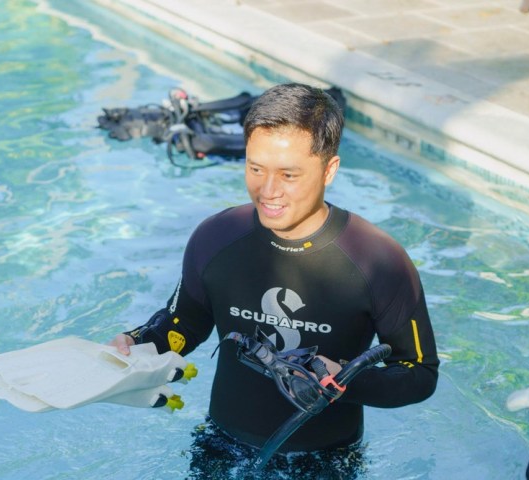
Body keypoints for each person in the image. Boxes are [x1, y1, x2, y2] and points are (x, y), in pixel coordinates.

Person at [110, 83, 439, 459]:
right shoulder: (216, 239)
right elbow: (183, 326)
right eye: (255, 169)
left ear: (329, 169)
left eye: (288, 175)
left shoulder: (378, 261)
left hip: (324, 460)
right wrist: (135, 344)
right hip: (220, 446)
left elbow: (419, 373)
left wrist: (346, 380)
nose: (268, 191)